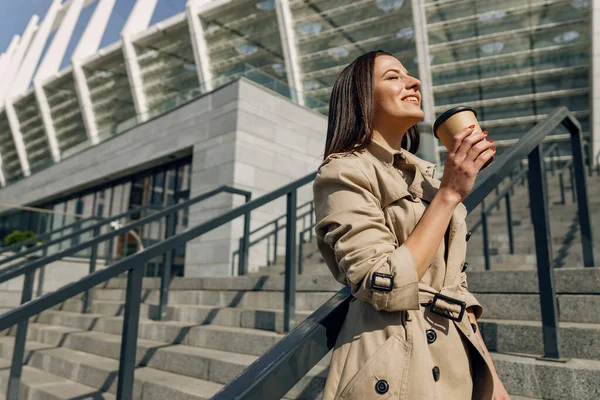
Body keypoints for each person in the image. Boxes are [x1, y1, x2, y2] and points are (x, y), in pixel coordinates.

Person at [312, 50, 510, 399]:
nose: (414, 82)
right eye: (393, 76)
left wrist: (492, 381)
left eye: (410, 75)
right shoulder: (343, 171)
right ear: (362, 98)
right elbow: (379, 281)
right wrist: (450, 194)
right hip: (395, 359)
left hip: (458, 359)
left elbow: (456, 289)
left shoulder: (429, 175)